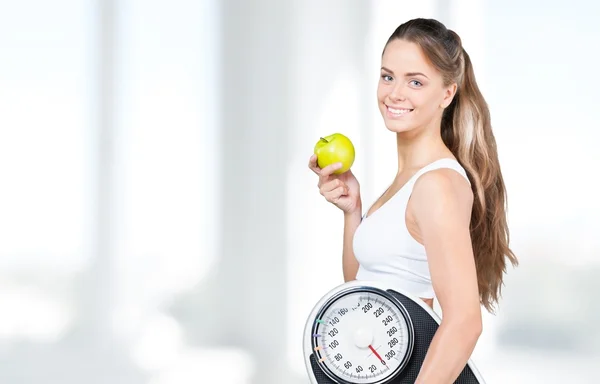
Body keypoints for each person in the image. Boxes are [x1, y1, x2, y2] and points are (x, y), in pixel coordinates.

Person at [308, 18, 518, 383]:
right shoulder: (404, 184)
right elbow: (362, 292)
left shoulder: (437, 184)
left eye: (415, 82)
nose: (395, 93)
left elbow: (465, 322)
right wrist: (353, 211)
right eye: (388, 76)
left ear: (447, 94)